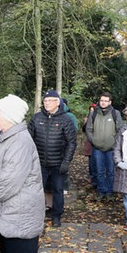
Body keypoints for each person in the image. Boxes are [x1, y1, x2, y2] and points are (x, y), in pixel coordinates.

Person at [0, 95, 45, 253]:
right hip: (10, 216)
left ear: (10, 117)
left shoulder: (19, 142)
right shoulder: (7, 138)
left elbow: (8, 182)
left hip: (19, 220)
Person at [28, 90, 77, 227]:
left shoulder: (66, 120)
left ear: (57, 102)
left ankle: (56, 216)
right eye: (45, 101)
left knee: (58, 190)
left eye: (50, 101)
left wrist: (66, 161)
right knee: (36, 190)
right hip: (39, 163)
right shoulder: (36, 118)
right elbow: (28, 140)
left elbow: (71, 142)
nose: (47, 103)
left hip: (58, 163)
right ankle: (36, 215)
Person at [85, 92, 122, 199]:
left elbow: (119, 129)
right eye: (102, 100)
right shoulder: (94, 113)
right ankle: (101, 191)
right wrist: (93, 140)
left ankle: (109, 192)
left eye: (106, 101)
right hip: (97, 147)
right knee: (99, 171)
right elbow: (88, 129)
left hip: (111, 148)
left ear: (110, 102)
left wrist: (114, 142)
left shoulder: (115, 113)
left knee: (110, 171)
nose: (103, 103)